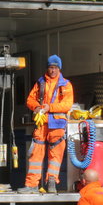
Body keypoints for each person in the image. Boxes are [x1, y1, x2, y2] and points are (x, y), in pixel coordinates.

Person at [18, 55, 74, 194]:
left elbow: (67, 105)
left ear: (59, 68)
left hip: (57, 124)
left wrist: (50, 107)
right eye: (50, 67)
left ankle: (51, 183)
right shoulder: (40, 82)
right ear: (47, 68)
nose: (52, 70)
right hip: (42, 123)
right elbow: (30, 100)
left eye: (55, 67)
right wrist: (36, 107)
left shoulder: (66, 85)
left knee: (55, 155)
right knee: (36, 153)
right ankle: (31, 185)